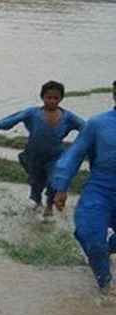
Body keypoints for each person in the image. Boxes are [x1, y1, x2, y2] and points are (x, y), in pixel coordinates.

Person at [0, 81, 85, 219]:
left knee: (54, 181)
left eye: (56, 98)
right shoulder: (32, 113)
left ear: (61, 99)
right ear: (42, 97)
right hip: (33, 156)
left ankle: (49, 207)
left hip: (55, 157)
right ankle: (37, 202)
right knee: (36, 183)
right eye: (49, 97)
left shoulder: (68, 117)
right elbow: (11, 120)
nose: (52, 101)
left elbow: (87, 128)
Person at [52, 81, 116, 297]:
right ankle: (106, 287)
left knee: (106, 243)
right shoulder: (98, 124)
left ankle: (109, 247)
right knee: (90, 234)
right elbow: (75, 153)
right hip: (101, 187)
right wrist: (61, 186)